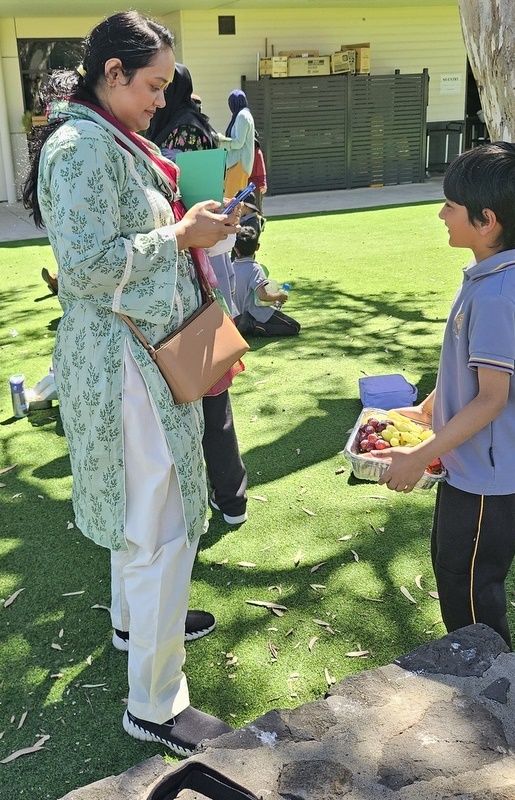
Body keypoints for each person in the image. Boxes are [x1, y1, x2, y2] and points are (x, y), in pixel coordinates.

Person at [22, 11, 239, 754]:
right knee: (160, 522)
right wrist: (182, 235)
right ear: (111, 74)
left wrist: (189, 233)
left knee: (139, 512)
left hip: (142, 354)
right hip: (127, 364)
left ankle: (132, 624)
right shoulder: (84, 146)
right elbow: (83, 267)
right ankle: (155, 704)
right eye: (151, 85)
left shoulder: (103, 137)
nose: (160, 98)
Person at [372, 142, 515, 649]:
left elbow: (492, 399)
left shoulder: (498, 295)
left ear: (486, 221)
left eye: (451, 205)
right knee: (453, 576)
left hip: (485, 483)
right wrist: (426, 409)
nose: (441, 214)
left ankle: (496, 697)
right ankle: (477, 679)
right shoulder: (491, 276)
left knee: (473, 602)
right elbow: (469, 371)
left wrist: (421, 455)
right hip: (465, 471)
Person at [147, 64, 248, 525]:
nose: (157, 97)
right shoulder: (196, 127)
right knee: (211, 395)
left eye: (162, 86)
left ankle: (223, 499)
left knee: (204, 395)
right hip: (199, 272)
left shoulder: (179, 135)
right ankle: (231, 499)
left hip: (183, 278)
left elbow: (182, 207)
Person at [233, 226, 300, 337]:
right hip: (254, 313)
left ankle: (246, 325)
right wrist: (278, 296)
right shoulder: (255, 268)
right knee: (293, 326)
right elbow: (263, 296)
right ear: (257, 246)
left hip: (236, 314)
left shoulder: (231, 267)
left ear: (235, 249)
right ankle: (254, 326)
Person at [222, 89, 255, 199]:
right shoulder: (244, 114)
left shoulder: (242, 116)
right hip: (238, 164)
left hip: (238, 163)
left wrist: (221, 142)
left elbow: (238, 143)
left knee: (231, 202)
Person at [249, 136, 267, 215]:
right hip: (245, 183)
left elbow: (261, 169)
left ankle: (259, 226)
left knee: (257, 209)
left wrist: (262, 184)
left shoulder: (257, 152)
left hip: (255, 185)